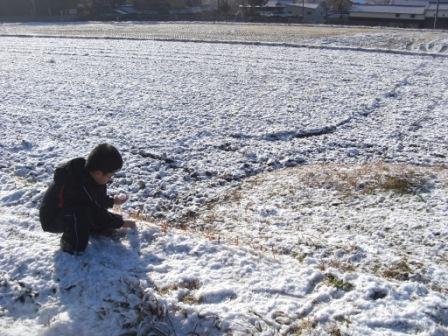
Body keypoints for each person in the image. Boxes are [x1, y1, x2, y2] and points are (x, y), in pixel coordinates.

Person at [39, 143, 136, 255]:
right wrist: (121, 222)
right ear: (99, 173)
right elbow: (97, 209)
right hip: (52, 218)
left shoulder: (89, 175)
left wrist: (113, 201)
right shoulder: (78, 183)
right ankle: (71, 245)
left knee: (86, 212)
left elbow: (97, 200)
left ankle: (89, 227)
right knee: (81, 213)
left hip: (68, 210)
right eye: (109, 176)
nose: (110, 179)